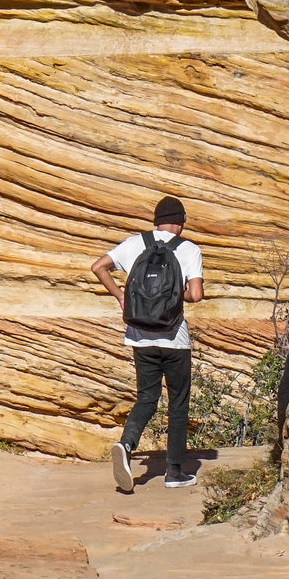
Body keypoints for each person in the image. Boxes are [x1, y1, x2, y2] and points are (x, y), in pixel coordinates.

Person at [91, 195, 204, 493]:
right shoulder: (189, 249)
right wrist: (173, 295)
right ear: (180, 222)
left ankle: (126, 445)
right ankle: (174, 473)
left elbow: (98, 266)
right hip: (175, 339)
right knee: (178, 403)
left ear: (156, 220)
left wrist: (121, 296)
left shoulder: (133, 244)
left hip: (140, 336)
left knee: (146, 398)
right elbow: (196, 295)